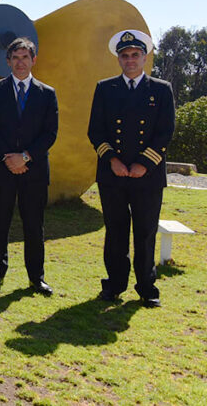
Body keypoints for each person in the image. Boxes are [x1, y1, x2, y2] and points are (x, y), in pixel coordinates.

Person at [88, 29, 175, 307]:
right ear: (119, 60)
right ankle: (113, 286)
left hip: (146, 176)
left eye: (135, 55)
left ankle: (147, 288)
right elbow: (96, 131)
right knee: (115, 231)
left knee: (146, 232)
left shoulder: (161, 90)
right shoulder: (105, 88)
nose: (130, 60)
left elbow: (165, 132)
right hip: (112, 174)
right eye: (124, 56)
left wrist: (143, 164)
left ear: (144, 57)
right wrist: (112, 159)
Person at [0, 37, 57, 295]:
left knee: (34, 225)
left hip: (33, 171)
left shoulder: (47, 94)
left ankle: (37, 278)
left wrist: (24, 157)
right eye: (15, 58)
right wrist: (9, 158)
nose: (20, 62)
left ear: (33, 60)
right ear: (8, 61)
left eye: (25, 57)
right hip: (1, 168)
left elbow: (50, 134)